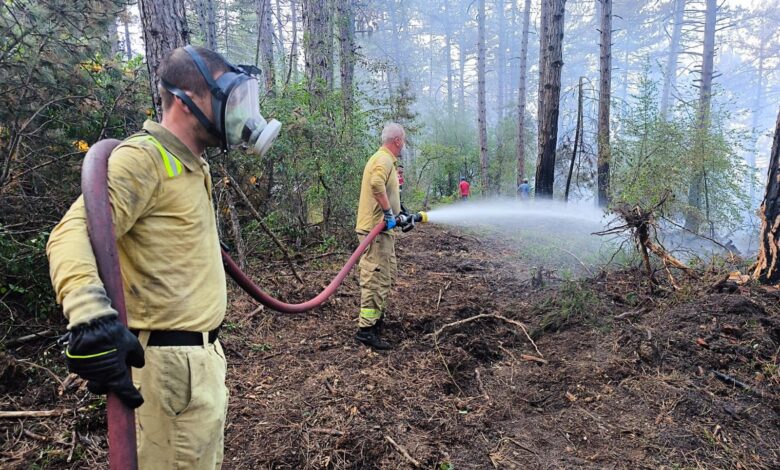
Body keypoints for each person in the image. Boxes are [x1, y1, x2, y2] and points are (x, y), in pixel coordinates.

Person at [46, 46, 279, 469]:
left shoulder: (191, 162)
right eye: (228, 94)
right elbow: (70, 233)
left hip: (199, 363)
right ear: (187, 100)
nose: (237, 110)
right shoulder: (145, 157)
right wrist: (89, 316)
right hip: (167, 372)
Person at [354, 123, 405, 350]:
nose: (404, 144)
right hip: (374, 232)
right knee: (374, 278)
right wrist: (388, 213)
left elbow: (386, 190)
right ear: (397, 140)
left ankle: (375, 322)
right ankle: (366, 330)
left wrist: (399, 213)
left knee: (386, 276)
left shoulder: (387, 161)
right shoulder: (383, 159)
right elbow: (376, 184)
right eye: (403, 140)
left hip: (383, 232)